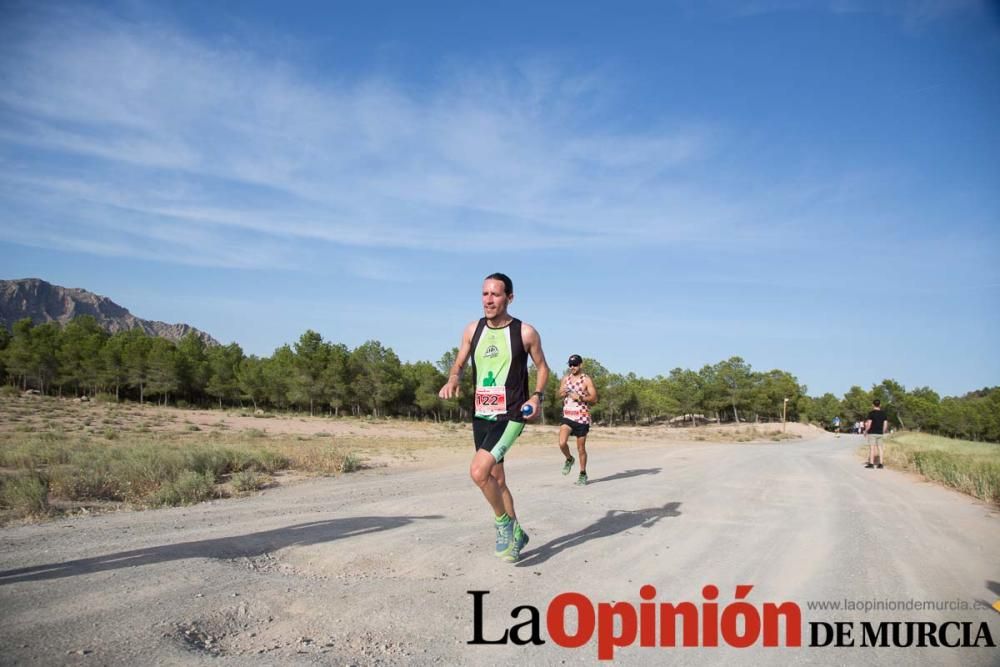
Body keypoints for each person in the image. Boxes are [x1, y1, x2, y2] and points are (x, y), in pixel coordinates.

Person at [438, 273, 550, 563]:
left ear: (509, 298)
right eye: (485, 294)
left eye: (495, 294)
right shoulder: (472, 330)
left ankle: (504, 524)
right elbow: (460, 362)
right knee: (496, 479)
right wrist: (453, 379)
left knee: (478, 472)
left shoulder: (525, 332)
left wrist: (536, 396)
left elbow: (542, 367)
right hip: (482, 414)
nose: (489, 300)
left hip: (511, 414)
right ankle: (518, 534)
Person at [557, 354, 598, 486]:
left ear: (581, 365)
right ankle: (569, 459)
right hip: (568, 416)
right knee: (562, 443)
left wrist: (579, 398)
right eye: (570, 365)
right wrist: (562, 393)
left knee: (581, 448)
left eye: (575, 364)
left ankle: (582, 473)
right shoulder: (565, 379)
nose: (572, 367)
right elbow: (559, 394)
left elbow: (594, 399)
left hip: (582, 418)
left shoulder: (586, 380)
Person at [863, 399, 890, 469]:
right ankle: (880, 463)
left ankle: (871, 463)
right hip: (880, 433)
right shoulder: (884, 413)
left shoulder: (871, 413)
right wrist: (883, 432)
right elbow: (885, 424)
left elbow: (869, 424)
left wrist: (865, 431)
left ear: (873, 405)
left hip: (872, 432)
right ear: (880, 405)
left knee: (872, 448)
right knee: (880, 448)